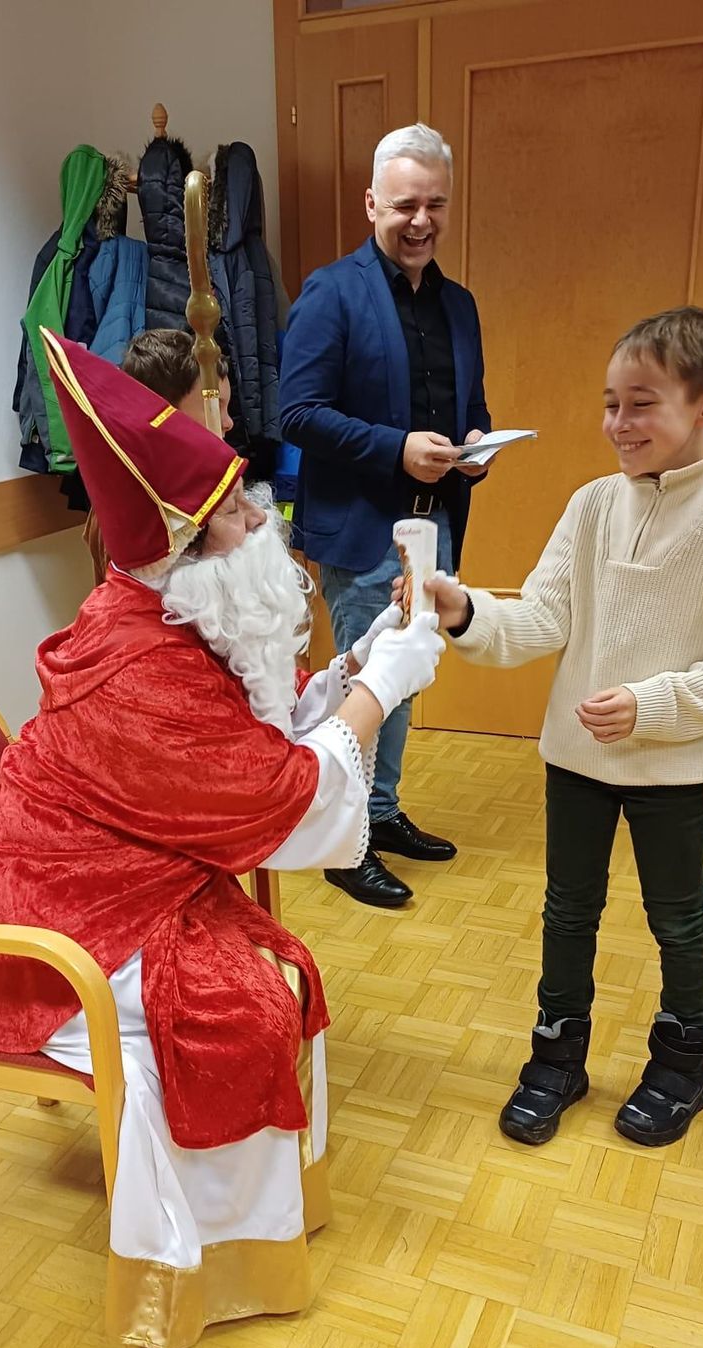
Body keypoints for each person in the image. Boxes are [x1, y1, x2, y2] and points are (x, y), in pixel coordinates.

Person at [0, 335, 444, 1348]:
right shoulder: (141, 662)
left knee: (274, 971)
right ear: (185, 548)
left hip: (126, 876)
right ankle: (194, 1276)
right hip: (57, 913)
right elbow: (287, 801)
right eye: (240, 516)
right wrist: (382, 687)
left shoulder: (168, 611)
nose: (267, 524)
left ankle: (257, 1226)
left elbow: (244, 743)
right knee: (236, 1008)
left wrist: (353, 660)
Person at [427, 307, 703, 1147]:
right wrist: (466, 612)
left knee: (678, 917)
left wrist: (655, 706)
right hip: (577, 761)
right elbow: (542, 618)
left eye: (641, 404)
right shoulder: (590, 504)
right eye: (610, 404)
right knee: (568, 911)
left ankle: (683, 1064)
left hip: (672, 771)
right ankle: (557, 1057)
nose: (617, 425)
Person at [279, 122, 492, 909]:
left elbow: (471, 405)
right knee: (368, 684)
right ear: (372, 202)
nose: (421, 221)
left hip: (433, 531)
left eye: (436, 204)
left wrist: (477, 443)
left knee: (405, 679)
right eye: (405, 204)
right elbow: (296, 413)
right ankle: (346, 843)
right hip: (363, 527)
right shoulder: (331, 293)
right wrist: (394, 447)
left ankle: (381, 809)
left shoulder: (460, 305)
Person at [83, 329, 234, 584]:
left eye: (227, 408)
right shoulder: (137, 516)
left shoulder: (195, 488)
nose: (229, 423)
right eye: (214, 407)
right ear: (162, 415)